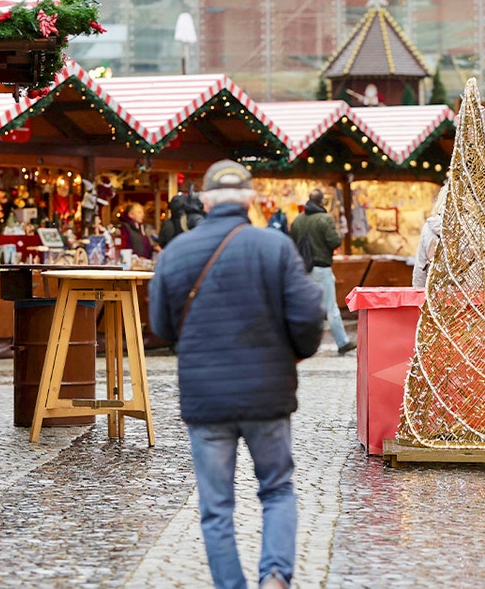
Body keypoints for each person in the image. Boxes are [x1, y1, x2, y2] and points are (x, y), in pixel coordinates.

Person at [149, 160, 325, 589]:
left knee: (216, 508)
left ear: (206, 202)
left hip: (206, 398)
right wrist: (295, 355)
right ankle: (275, 578)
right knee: (277, 489)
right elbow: (309, 315)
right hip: (267, 393)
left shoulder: (175, 254)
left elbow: (161, 326)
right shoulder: (275, 247)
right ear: (249, 200)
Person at [290, 189, 356, 355]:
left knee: (305, 307)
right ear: (322, 202)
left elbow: (292, 243)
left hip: (303, 270)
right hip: (321, 268)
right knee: (331, 307)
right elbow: (334, 241)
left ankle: (301, 343)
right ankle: (342, 342)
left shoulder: (298, 220)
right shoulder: (324, 219)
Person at [413, 181, 449, 288]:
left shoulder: (429, 228)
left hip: (435, 290)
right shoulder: (474, 230)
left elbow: (420, 266)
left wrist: (418, 291)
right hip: (466, 294)